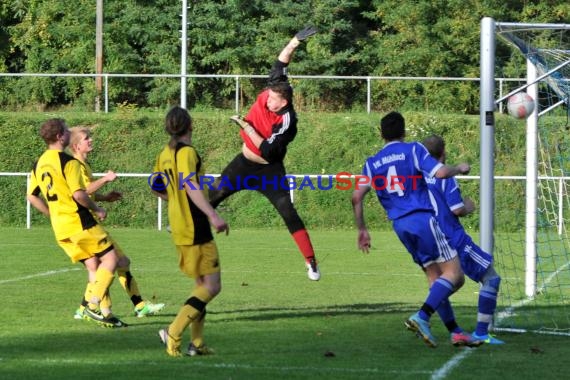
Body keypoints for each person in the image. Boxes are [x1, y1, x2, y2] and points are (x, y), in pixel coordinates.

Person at [351, 111, 475, 348]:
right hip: (422, 219)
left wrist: (362, 230)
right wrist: (459, 167)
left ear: (381, 134)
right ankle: (422, 316)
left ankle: (455, 331)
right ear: (404, 131)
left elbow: (356, 197)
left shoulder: (372, 162)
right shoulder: (414, 150)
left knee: (434, 278)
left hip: (400, 226)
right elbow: (439, 172)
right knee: (455, 276)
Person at [208, 27, 321, 281]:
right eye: (268, 95)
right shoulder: (277, 85)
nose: (266, 100)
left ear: (283, 102)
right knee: (214, 194)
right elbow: (281, 61)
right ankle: (186, 225)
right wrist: (294, 41)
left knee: (288, 212)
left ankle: (311, 261)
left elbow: (267, 150)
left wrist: (246, 125)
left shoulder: (288, 121)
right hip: (243, 163)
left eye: (271, 99)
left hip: (269, 170)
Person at [27, 118, 123, 327]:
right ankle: (93, 304)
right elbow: (79, 195)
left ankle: (106, 314)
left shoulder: (39, 163)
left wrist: (52, 214)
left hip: (60, 228)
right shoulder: (68, 162)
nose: (70, 133)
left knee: (94, 265)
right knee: (111, 259)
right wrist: (98, 208)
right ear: (60, 136)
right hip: (79, 222)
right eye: (66, 130)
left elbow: (32, 196)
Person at [151, 106, 229, 357]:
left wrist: (174, 201)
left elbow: (155, 186)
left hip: (179, 224)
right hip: (195, 225)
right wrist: (213, 215)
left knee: (201, 285)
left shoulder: (164, 153)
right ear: (191, 125)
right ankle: (173, 332)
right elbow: (189, 185)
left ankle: (197, 344)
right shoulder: (187, 152)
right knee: (213, 286)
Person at [68, 126, 165, 320]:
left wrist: (105, 198)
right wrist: (105, 179)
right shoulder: (76, 165)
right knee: (110, 263)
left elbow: (89, 192)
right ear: (76, 145)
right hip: (86, 225)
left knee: (105, 265)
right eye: (87, 138)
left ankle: (89, 308)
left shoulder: (83, 165)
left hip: (89, 223)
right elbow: (82, 192)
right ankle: (96, 307)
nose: (91, 140)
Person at [423, 134, 504, 345]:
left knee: (440, 285)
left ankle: (452, 330)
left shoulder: (418, 175)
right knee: (491, 278)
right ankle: (481, 333)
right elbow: (456, 209)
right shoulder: (445, 176)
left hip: (430, 239)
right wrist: (469, 206)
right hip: (454, 238)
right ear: (444, 153)